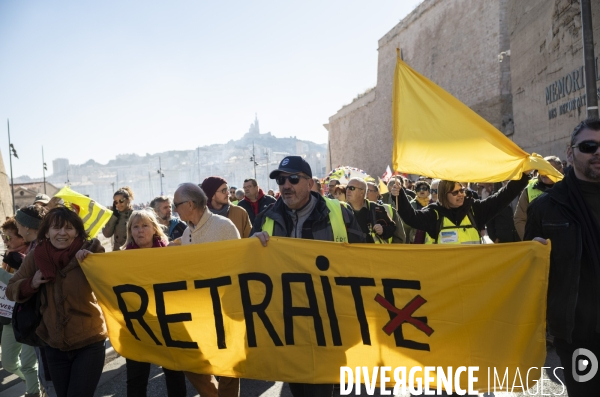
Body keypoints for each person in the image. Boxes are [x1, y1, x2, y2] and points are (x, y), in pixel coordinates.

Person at [251, 156, 365, 397]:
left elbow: (362, 262)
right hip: (287, 324)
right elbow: (250, 272)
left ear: (311, 183)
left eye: (293, 178)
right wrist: (250, 248)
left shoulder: (340, 213)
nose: (286, 185)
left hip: (328, 323)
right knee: (300, 390)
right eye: (281, 180)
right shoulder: (265, 219)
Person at [525, 118, 600, 395]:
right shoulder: (546, 208)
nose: (597, 152)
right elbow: (530, 273)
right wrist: (531, 254)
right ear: (570, 152)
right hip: (578, 333)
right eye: (589, 146)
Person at [7, 207, 107, 397]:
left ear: (77, 231)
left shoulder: (91, 250)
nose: (62, 233)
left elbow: (113, 282)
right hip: (54, 344)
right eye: (56, 228)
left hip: (89, 341)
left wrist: (93, 261)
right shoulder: (36, 256)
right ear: (46, 232)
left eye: (68, 228)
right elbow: (12, 289)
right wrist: (32, 282)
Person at [172, 183, 240, 396]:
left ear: (190, 204)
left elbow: (239, 265)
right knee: (192, 365)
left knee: (229, 368)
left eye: (177, 205)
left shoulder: (223, 227)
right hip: (198, 313)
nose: (175, 210)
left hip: (225, 310)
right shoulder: (186, 233)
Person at [122, 210, 187, 397]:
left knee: (174, 373)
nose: (140, 231)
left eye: (144, 226)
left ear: (154, 229)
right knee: (136, 378)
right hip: (137, 325)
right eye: (135, 226)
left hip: (167, 322)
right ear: (130, 231)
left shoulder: (169, 253)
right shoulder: (120, 259)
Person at [390, 173, 529, 244]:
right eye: (455, 192)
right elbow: (411, 217)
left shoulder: (475, 209)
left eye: (461, 190)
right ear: (444, 195)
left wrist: (523, 177)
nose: (461, 195)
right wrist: (400, 195)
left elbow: (502, 198)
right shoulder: (435, 214)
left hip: (474, 276)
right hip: (447, 279)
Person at [0, 218, 40, 397]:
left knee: (28, 363)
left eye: (8, 237)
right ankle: (33, 381)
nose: (4, 241)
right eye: (3, 236)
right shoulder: (8, 256)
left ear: (22, 238)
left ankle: (34, 391)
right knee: (8, 363)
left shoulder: (29, 255)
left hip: (29, 316)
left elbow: (19, 284)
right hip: (9, 317)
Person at [514, 155, 563, 240]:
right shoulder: (529, 189)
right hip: (538, 246)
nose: (544, 173)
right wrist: (529, 241)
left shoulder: (568, 188)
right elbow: (520, 218)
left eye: (548, 169)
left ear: (560, 171)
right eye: (542, 169)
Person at [345, 177, 395, 243]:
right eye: (347, 188)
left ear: (362, 192)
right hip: (348, 252)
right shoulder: (342, 208)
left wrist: (383, 230)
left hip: (371, 252)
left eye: (352, 188)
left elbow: (392, 227)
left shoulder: (376, 209)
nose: (348, 191)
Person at [102, 186, 135, 250]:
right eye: (115, 202)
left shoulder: (135, 215)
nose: (118, 204)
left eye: (121, 201)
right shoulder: (114, 217)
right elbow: (107, 234)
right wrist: (114, 216)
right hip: (117, 252)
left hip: (132, 251)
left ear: (128, 200)